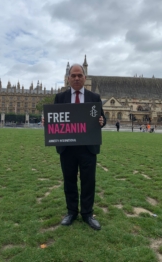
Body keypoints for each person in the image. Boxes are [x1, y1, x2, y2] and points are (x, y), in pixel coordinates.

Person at [54, 64, 106, 230]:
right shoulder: (60, 98)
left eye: (79, 75)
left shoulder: (94, 97)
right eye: (73, 75)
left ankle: (87, 214)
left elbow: (102, 119)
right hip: (67, 146)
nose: (76, 78)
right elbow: (55, 118)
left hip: (87, 147)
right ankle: (71, 212)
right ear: (68, 78)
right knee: (69, 181)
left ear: (85, 77)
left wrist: (101, 121)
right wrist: (47, 122)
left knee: (88, 181)